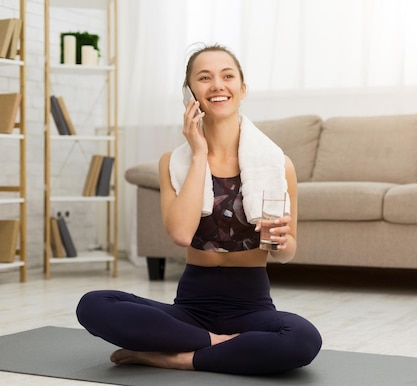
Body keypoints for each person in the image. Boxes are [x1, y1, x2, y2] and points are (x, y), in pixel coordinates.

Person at [76, 43, 322, 375]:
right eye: (204, 78)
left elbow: (288, 251)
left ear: (242, 88)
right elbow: (180, 234)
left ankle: (177, 356)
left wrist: (280, 242)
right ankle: (220, 344)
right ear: (190, 93)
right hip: (191, 308)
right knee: (94, 305)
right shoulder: (173, 163)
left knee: (303, 339)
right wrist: (198, 154)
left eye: (228, 76)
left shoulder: (278, 164)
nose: (217, 85)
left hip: (251, 308)